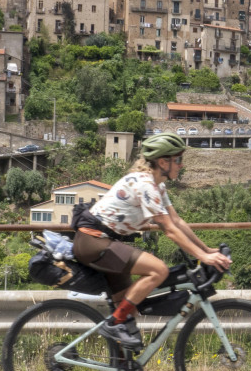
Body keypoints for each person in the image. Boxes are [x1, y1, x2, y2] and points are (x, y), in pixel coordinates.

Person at [73, 132, 230, 350]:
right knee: (159, 270)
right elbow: (168, 229)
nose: (181, 166)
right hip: (94, 241)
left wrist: (207, 249)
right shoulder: (145, 184)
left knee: (128, 316)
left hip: (106, 243)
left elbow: (177, 221)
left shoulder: (158, 186)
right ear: (163, 162)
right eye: (178, 160)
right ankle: (112, 324)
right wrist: (203, 257)